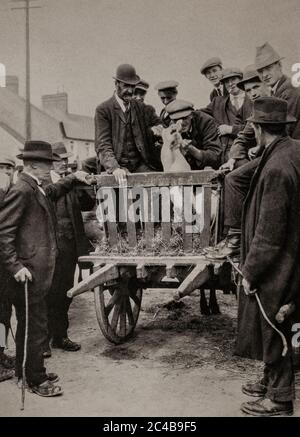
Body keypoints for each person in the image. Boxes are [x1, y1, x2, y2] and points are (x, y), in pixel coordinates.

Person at [0, 141, 90, 397]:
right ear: (32, 165)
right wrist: (15, 266)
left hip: (37, 271)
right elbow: (3, 233)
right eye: (47, 164)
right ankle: (36, 380)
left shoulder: (34, 187)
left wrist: (73, 178)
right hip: (27, 273)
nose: (50, 168)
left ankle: (24, 371)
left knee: (32, 325)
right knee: (34, 328)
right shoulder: (22, 190)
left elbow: (51, 192)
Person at [236, 97, 300, 416]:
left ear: (259, 130)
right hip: (295, 250)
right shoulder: (293, 150)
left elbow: (269, 233)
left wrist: (250, 271)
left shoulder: (275, 167)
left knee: (274, 320)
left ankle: (279, 397)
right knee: (283, 320)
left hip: (282, 257)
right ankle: (269, 380)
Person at [206, 66, 270, 259]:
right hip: (264, 156)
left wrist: (259, 148)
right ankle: (230, 234)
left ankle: (236, 237)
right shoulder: (256, 107)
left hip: (280, 155)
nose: (253, 93)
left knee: (234, 179)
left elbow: (278, 135)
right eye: (249, 90)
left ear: (266, 84)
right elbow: (244, 136)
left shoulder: (277, 102)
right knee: (229, 174)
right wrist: (232, 159)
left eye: (256, 87)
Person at [44, 142, 94, 357]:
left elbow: (86, 205)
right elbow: (51, 195)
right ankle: (43, 341)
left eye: (65, 160)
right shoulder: (45, 183)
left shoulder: (70, 181)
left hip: (70, 246)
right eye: (58, 160)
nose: (63, 164)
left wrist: (85, 187)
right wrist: (72, 179)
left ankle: (60, 336)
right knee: (48, 294)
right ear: (49, 164)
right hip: (50, 248)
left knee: (65, 292)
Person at [95, 64, 161, 185]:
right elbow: (103, 144)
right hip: (118, 166)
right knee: (121, 198)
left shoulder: (141, 107)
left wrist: (158, 128)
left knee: (156, 191)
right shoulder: (103, 110)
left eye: (132, 86)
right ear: (116, 84)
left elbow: (158, 123)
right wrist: (114, 168)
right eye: (126, 85)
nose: (130, 90)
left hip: (141, 165)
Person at [202, 68, 251, 164]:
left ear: (241, 80)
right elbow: (200, 114)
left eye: (233, 79)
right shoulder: (218, 102)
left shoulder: (253, 98)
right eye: (226, 82)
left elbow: (254, 128)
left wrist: (230, 129)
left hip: (251, 149)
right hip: (228, 153)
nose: (230, 84)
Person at [255, 42, 300, 139]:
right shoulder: (276, 89)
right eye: (260, 71)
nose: (264, 75)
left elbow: (286, 129)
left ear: (279, 65)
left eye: (268, 68)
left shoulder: (290, 89)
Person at [165, 99, 222, 170]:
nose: (181, 123)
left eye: (185, 118)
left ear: (191, 115)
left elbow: (215, 156)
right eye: (176, 120)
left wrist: (191, 149)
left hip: (207, 167)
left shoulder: (206, 122)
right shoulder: (171, 126)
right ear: (171, 120)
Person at [0, 155, 16, 382]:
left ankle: (1, 354)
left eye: (8, 168)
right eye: (1, 168)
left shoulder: (13, 191)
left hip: (5, 264)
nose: (4, 171)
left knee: (4, 312)